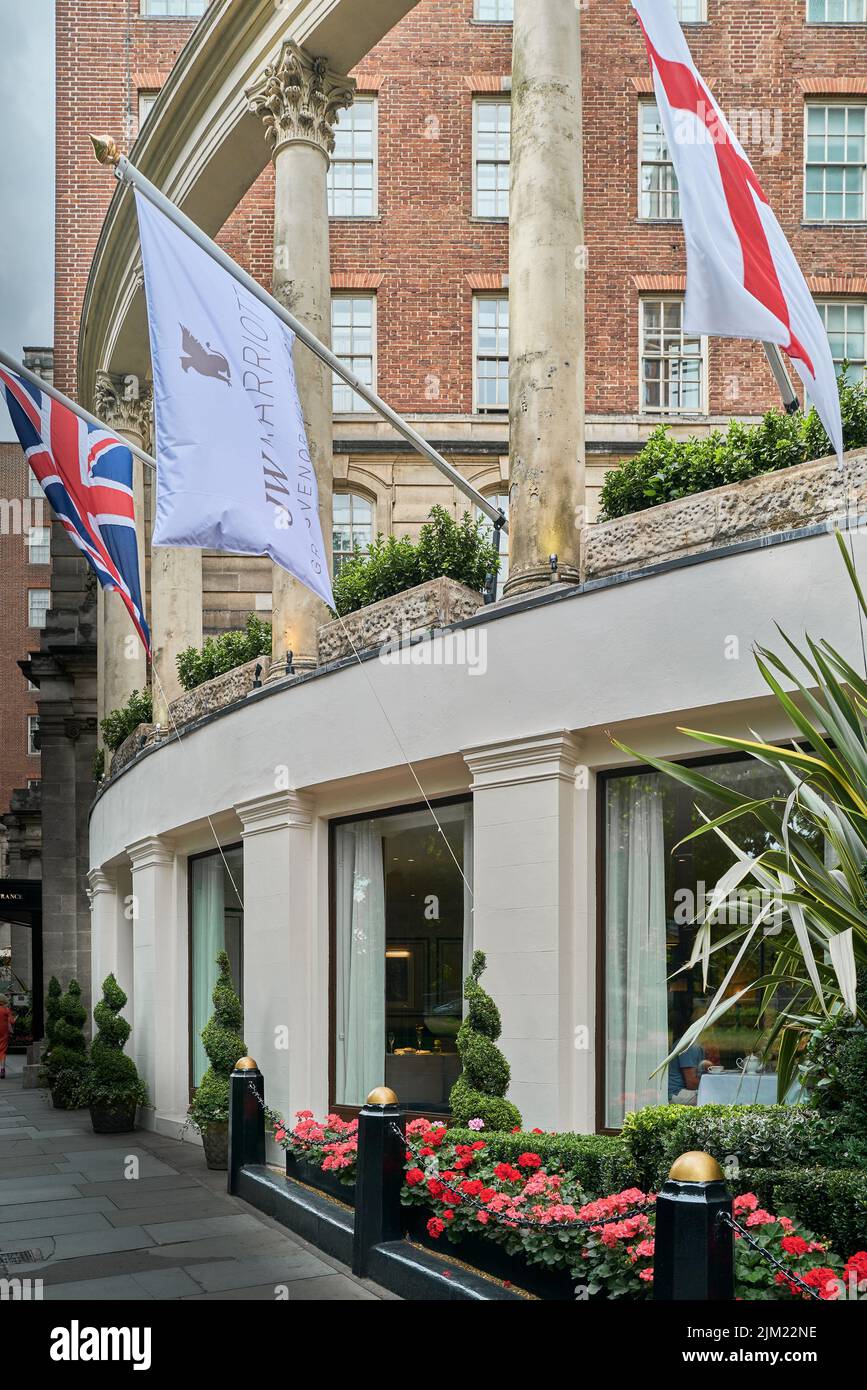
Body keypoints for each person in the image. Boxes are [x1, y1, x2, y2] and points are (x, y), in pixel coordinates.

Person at [0, 995, 14, 1080]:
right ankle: (2, 1069)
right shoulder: (6, 1010)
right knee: (2, 1051)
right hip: (4, 1033)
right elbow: (12, 1021)